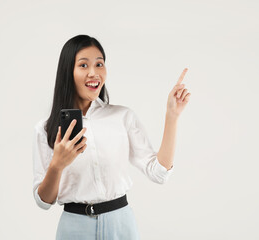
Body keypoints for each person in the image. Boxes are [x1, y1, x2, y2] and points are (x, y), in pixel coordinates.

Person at [32, 34, 191, 239]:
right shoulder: (46, 129)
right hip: (74, 228)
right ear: (67, 71)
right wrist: (57, 165)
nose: (93, 73)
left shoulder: (122, 117)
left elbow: (159, 173)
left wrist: (172, 116)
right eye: (83, 65)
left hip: (121, 224)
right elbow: (43, 201)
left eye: (99, 64)